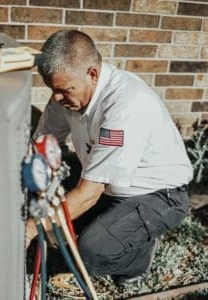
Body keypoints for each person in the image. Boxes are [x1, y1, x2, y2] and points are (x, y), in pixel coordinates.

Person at [27, 29, 193, 286]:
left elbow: (88, 193)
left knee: (90, 250)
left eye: (64, 90)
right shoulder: (67, 95)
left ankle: (137, 259)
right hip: (106, 184)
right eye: (52, 89)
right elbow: (41, 145)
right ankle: (110, 226)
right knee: (55, 218)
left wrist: (29, 229)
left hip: (158, 196)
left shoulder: (124, 106)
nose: (57, 98)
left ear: (92, 74)